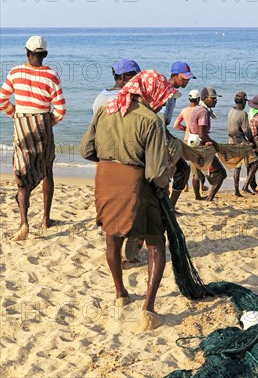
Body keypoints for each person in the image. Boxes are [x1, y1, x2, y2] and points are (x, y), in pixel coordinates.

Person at [79, 70, 176, 330]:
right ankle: (148, 308)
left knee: (112, 237)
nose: (162, 102)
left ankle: (120, 293)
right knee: (156, 243)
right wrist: (164, 185)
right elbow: (156, 173)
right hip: (137, 184)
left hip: (105, 180)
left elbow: (86, 150)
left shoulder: (105, 110)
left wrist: (111, 161)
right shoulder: (152, 120)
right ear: (150, 93)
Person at [0, 35, 66, 240]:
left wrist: (17, 116)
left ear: (26, 52)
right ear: (44, 54)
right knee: (47, 171)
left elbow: (2, 100)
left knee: (22, 172)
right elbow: (61, 110)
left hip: (22, 127)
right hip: (43, 128)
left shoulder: (15, 72)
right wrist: (46, 123)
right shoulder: (52, 76)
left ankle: (23, 223)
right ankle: (46, 218)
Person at [163, 61, 195, 208]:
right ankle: (169, 207)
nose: (187, 81)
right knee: (181, 169)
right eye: (184, 78)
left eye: (188, 78)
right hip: (159, 137)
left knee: (180, 169)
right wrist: (170, 137)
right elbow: (159, 120)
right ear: (174, 75)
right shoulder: (166, 93)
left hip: (163, 134)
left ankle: (170, 206)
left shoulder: (173, 93)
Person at [188, 87, 227, 201]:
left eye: (216, 98)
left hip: (192, 144)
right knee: (221, 173)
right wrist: (215, 145)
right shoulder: (203, 112)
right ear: (205, 98)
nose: (215, 101)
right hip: (200, 146)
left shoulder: (196, 108)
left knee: (196, 173)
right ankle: (209, 198)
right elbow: (202, 134)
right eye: (213, 98)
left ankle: (197, 196)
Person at [227, 91, 254, 197]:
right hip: (240, 142)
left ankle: (236, 190)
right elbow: (247, 131)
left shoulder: (231, 111)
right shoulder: (242, 114)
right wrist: (252, 142)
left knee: (237, 167)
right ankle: (246, 186)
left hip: (231, 141)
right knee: (254, 162)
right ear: (243, 102)